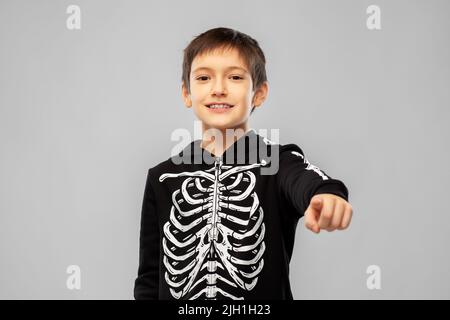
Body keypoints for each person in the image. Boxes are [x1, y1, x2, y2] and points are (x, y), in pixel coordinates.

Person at [134, 27, 353, 300]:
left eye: (235, 77)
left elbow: (309, 181)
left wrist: (327, 194)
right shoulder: (162, 177)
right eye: (203, 78)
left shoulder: (278, 163)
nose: (218, 89)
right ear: (187, 93)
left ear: (259, 94)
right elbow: (150, 278)